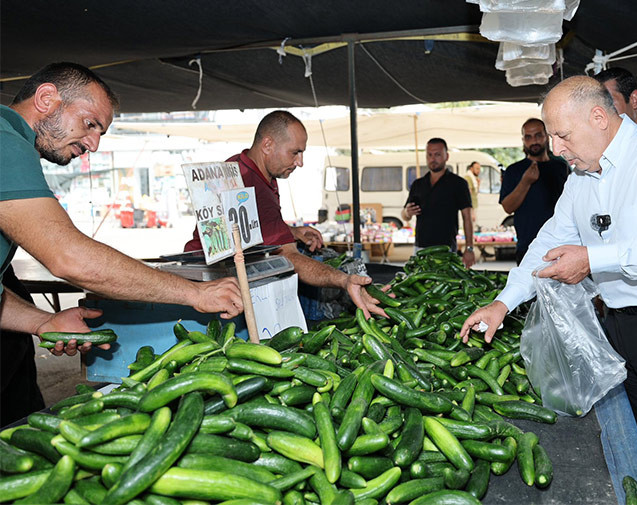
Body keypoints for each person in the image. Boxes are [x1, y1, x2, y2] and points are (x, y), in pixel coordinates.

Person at [461, 76, 637, 504]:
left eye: (561, 134)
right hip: (626, 326)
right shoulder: (582, 176)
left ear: (598, 118)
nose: (556, 148)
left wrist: (594, 259)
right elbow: (549, 240)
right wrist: (504, 301)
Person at [0, 62, 243, 422]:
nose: (93, 144)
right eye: (90, 124)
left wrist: (42, 322)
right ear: (47, 98)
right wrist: (195, 294)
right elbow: (70, 257)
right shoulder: (5, 141)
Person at [184, 110, 387, 319]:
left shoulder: (241, 166)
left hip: (212, 276)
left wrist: (292, 231)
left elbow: (252, 224)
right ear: (267, 145)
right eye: (295, 152)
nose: (300, 162)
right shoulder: (253, 186)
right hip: (209, 285)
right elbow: (289, 257)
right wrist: (343, 280)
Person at [499, 118, 570, 265]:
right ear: (523, 140)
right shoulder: (514, 170)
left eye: (538, 135)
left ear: (547, 136)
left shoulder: (561, 167)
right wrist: (525, 182)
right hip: (528, 246)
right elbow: (508, 207)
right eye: (528, 137)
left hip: (561, 244)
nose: (534, 141)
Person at [401, 138, 475, 268]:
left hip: (446, 249)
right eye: (429, 155)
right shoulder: (418, 184)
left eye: (437, 154)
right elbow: (404, 215)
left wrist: (469, 248)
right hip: (420, 248)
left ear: (447, 156)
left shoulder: (458, 184)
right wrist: (407, 212)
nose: (433, 158)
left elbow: (467, 217)